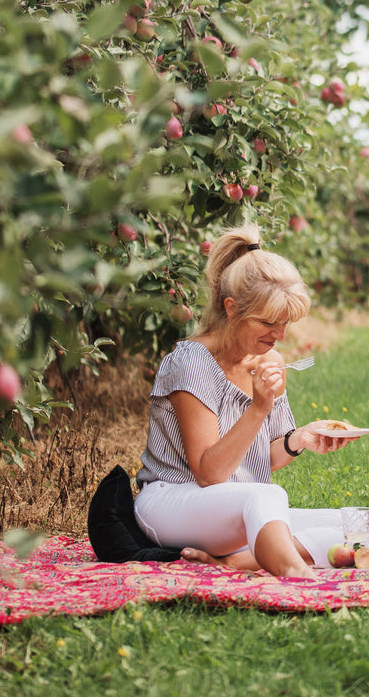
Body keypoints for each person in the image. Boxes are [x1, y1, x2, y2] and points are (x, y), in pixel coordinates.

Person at [133, 224, 354, 578]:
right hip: (170, 500)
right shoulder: (192, 362)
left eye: (285, 323)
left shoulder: (269, 361)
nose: (279, 336)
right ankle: (299, 579)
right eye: (268, 322)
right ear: (231, 308)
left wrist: (300, 439)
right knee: (267, 497)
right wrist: (260, 407)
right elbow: (210, 473)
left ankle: (235, 562)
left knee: (356, 527)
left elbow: (262, 457)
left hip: (232, 507)